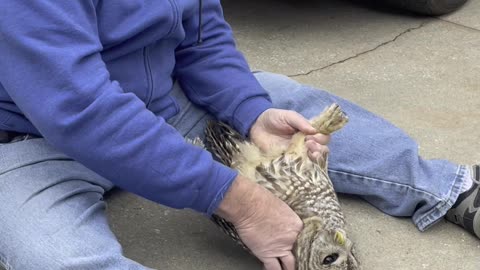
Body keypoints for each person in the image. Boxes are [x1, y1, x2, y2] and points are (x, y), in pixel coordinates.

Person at [0, 1, 477, 270]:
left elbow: (201, 37)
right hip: (36, 140)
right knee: (52, 255)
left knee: (294, 107)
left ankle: (455, 190)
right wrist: (242, 202)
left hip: (165, 100)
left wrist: (252, 114)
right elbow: (80, 108)